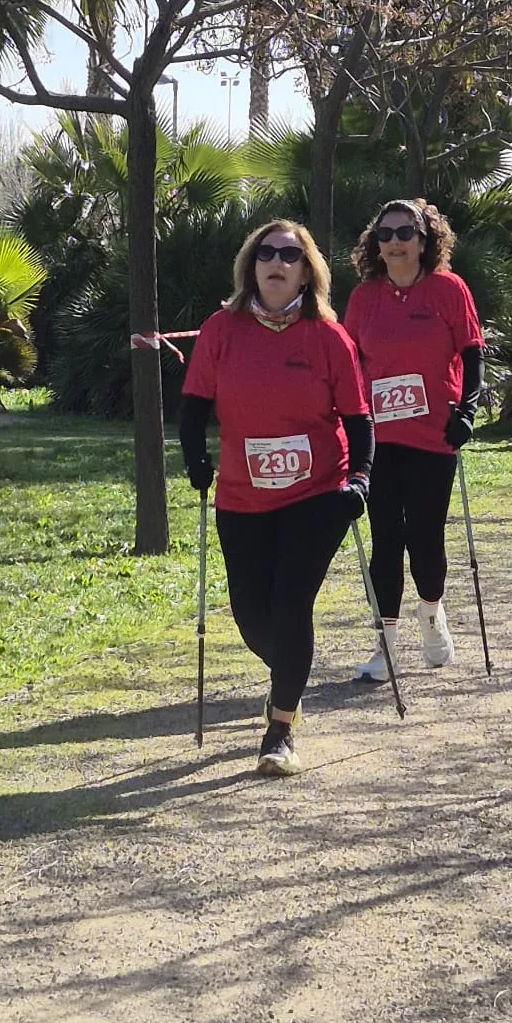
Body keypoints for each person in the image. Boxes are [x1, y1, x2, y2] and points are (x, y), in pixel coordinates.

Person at [179, 221, 373, 778]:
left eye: (291, 254)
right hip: (242, 493)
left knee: (291, 604)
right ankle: (291, 670)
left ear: (307, 270)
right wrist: (195, 459)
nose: (277, 262)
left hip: (318, 489)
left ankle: (281, 727)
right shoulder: (222, 330)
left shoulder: (329, 337)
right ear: (251, 265)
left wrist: (360, 477)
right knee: (250, 614)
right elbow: (193, 406)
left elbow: (359, 421)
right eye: (267, 253)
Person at [343, 197, 484, 680]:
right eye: (386, 234)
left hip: (433, 435)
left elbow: (473, 356)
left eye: (406, 232)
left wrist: (466, 411)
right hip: (379, 437)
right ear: (375, 244)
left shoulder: (449, 289)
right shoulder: (364, 298)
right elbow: (348, 364)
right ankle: (385, 644)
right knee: (386, 540)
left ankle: (431, 613)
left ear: (426, 240)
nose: (396, 242)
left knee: (424, 536)